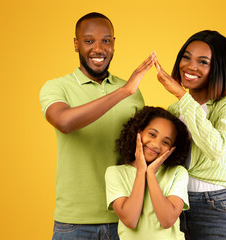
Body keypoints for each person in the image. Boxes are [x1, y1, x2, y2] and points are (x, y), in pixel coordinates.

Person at [39, 12, 155, 240]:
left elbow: (140, 153)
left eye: (106, 40)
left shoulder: (132, 91)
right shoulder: (57, 87)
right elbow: (64, 122)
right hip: (74, 222)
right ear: (76, 44)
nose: (98, 49)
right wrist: (123, 92)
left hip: (126, 220)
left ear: (113, 44)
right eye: (89, 40)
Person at [154, 30, 226, 239]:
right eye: (186, 57)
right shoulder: (175, 109)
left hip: (214, 206)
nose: (190, 66)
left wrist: (180, 94)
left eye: (203, 62)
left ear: (218, 68)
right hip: (175, 203)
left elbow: (216, 150)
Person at [105, 106, 191, 240]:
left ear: (172, 149)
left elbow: (167, 220)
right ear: (139, 132)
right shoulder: (115, 173)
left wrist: (151, 174)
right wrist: (141, 171)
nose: (156, 145)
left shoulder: (178, 173)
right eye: (152, 134)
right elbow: (130, 220)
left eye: (165, 142)